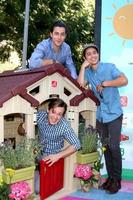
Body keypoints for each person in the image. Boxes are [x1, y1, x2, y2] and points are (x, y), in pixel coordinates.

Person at [77, 43, 128, 194]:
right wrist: (82, 68)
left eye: (94, 53)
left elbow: (124, 80)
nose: (92, 56)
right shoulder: (88, 73)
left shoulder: (109, 67)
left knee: (113, 146)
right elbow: (80, 86)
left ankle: (117, 180)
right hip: (100, 116)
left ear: (98, 54)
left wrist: (106, 83)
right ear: (85, 58)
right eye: (88, 54)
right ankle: (110, 179)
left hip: (114, 114)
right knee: (106, 147)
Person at [35, 98, 81, 193]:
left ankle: (39, 174)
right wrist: (23, 126)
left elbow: (77, 144)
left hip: (50, 158)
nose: (55, 117)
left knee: (37, 189)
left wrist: (57, 156)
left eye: (59, 114)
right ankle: (37, 172)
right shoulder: (40, 115)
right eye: (53, 112)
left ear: (62, 115)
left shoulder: (64, 126)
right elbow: (23, 126)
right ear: (48, 109)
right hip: (36, 153)